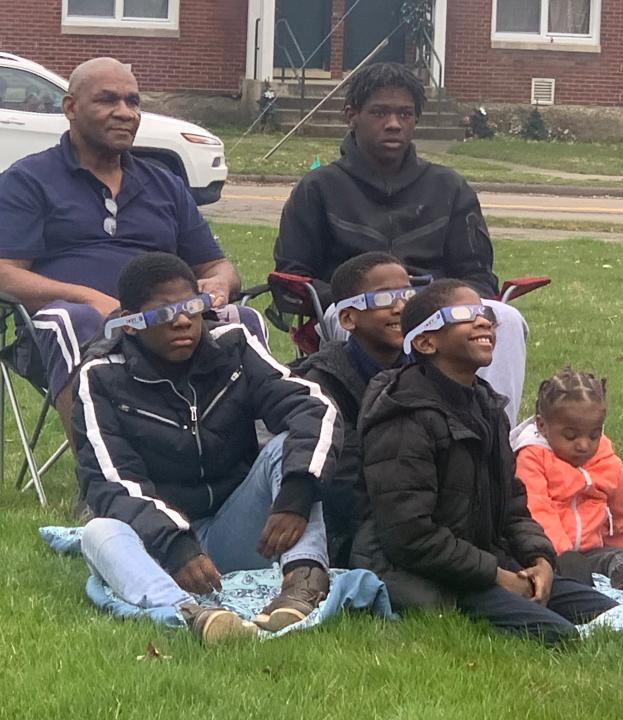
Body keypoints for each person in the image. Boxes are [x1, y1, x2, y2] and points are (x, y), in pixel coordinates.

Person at [76, 253, 342, 644]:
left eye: (191, 308)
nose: (182, 321)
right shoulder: (100, 376)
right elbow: (111, 481)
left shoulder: (232, 346)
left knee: (292, 452)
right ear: (130, 323)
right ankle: (190, 612)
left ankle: (302, 583)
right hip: (163, 550)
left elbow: (312, 407)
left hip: (242, 529)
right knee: (98, 531)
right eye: (163, 313)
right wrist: (176, 544)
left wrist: (296, 497)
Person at [349, 279, 617, 644]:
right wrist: (496, 576)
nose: (482, 322)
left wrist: (539, 560)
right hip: (422, 573)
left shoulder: (487, 407)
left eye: (485, 313)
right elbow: (408, 537)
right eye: (463, 314)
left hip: (484, 563)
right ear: (427, 342)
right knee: (559, 636)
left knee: (611, 615)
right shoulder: (404, 416)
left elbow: (512, 504)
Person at [0, 57, 252, 437]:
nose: (125, 113)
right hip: (67, 332)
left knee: (243, 320)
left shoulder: (163, 183)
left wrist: (218, 283)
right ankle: (102, 483)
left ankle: (253, 468)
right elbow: (4, 272)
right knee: (72, 319)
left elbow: (217, 265)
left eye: (133, 102)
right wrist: (86, 298)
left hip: (162, 325)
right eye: (107, 100)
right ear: (70, 108)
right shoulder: (30, 180)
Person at [273, 62, 528, 426]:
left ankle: (493, 439)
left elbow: (477, 275)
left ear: (415, 120)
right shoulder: (318, 188)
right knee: (359, 314)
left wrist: (431, 305)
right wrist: (359, 300)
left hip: (434, 307)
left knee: (504, 317)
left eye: (404, 114)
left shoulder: (450, 187)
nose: (393, 123)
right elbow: (290, 277)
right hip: (351, 307)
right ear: (352, 115)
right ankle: (369, 432)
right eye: (379, 112)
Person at [291, 251, 414, 566]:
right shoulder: (324, 382)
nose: (401, 307)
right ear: (348, 319)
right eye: (385, 298)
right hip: (358, 529)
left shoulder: (425, 369)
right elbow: (343, 484)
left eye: (408, 294)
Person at [511, 367, 623, 590]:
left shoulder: (606, 459)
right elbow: (538, 511)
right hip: (546, 551)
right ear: (542, 426)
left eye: (594, 435)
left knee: (617, 557)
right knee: (560, 565)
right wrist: (561, 552)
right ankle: (574, 580)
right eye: (570, 436)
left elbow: (621, 513)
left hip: (594, 548)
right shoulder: (532, 458)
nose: (583, 445)